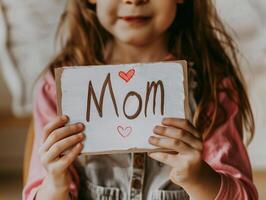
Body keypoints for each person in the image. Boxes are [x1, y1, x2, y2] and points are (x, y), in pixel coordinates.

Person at [23, 0, 258, 199]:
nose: (134, 0)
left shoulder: (213, 87)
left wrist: (198, 177)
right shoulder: (57, 89)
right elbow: (39, 189)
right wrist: (56, 183)